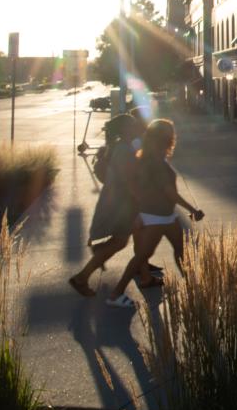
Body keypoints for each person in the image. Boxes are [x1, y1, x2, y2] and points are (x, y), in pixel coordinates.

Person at [106, 119, 204, 308]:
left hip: (163, 215)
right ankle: (116, 293)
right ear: (167, 139)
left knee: (180, 249)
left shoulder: (147, 157)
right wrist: (192, 209)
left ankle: (193, 287)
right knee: (143, 255)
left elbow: (136, 186)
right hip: (157, 216)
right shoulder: (157, 163)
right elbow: (171, 193)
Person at [69, 109, 157, 297]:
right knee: (119, 242)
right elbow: (129, 181)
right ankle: (81, 277)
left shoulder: (121, 146)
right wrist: (143, 201)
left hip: (121, 203)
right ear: (125, 129)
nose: (136, 127)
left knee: (137, 237)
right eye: (132, 125)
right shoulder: (123, 150)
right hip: (121, 205)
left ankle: (146, 277)